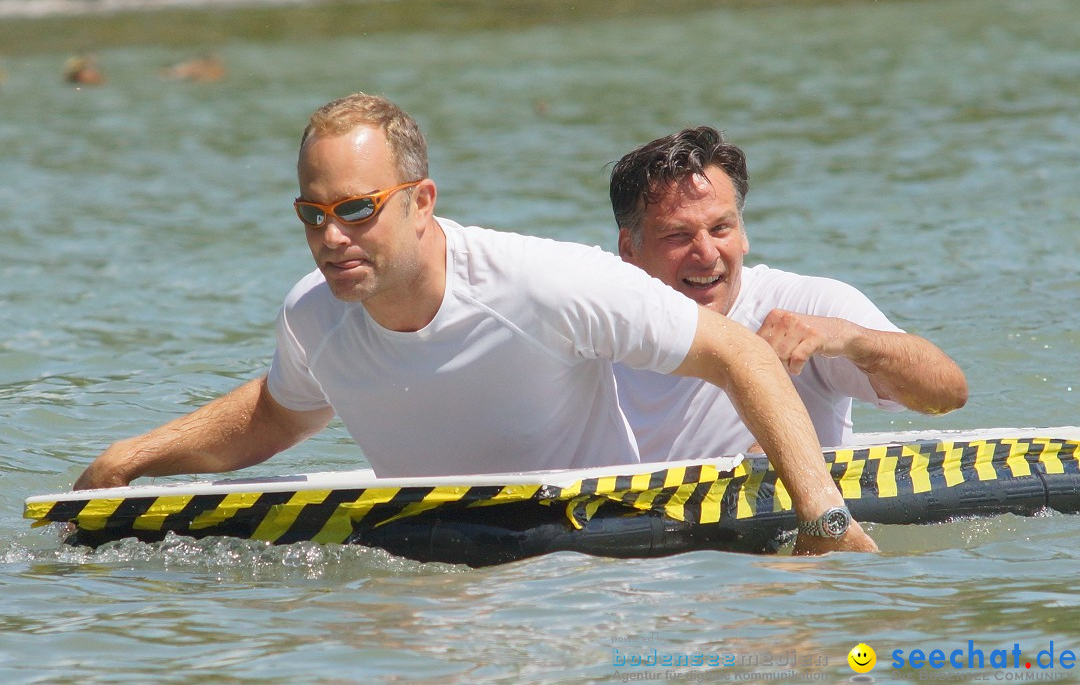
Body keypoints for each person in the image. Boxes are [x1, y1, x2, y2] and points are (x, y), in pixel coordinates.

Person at [74, 94, 877, 554]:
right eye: (312, 214)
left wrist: (825, 519)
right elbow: (281, 412)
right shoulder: (313, 315)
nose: (331, 237)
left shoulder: (544, 283)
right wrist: (134, 457)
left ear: (422, 202)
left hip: (601, 569)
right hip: (438, 567)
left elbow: (739, 352)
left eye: (357, 209)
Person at [609, 126, 968, 462]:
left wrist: (848, 339)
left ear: (744, 234)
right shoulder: (596, 324)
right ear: (629, 248)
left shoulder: (806, 305)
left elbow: (948, 393)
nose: (706, 254)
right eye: (678, 236)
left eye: (721, 228)